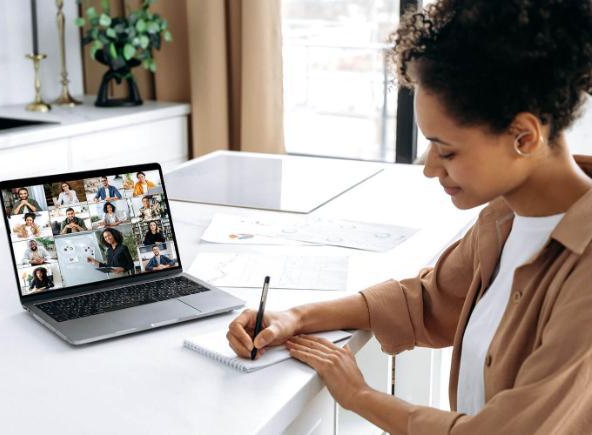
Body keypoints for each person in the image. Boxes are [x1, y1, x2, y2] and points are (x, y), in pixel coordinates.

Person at [226, 1, 592, 433]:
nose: (430, 167)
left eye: (447, 149)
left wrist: (360, 396)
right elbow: (430, 301)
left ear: (524, 137)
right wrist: (296, 317)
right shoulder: (504, 216)